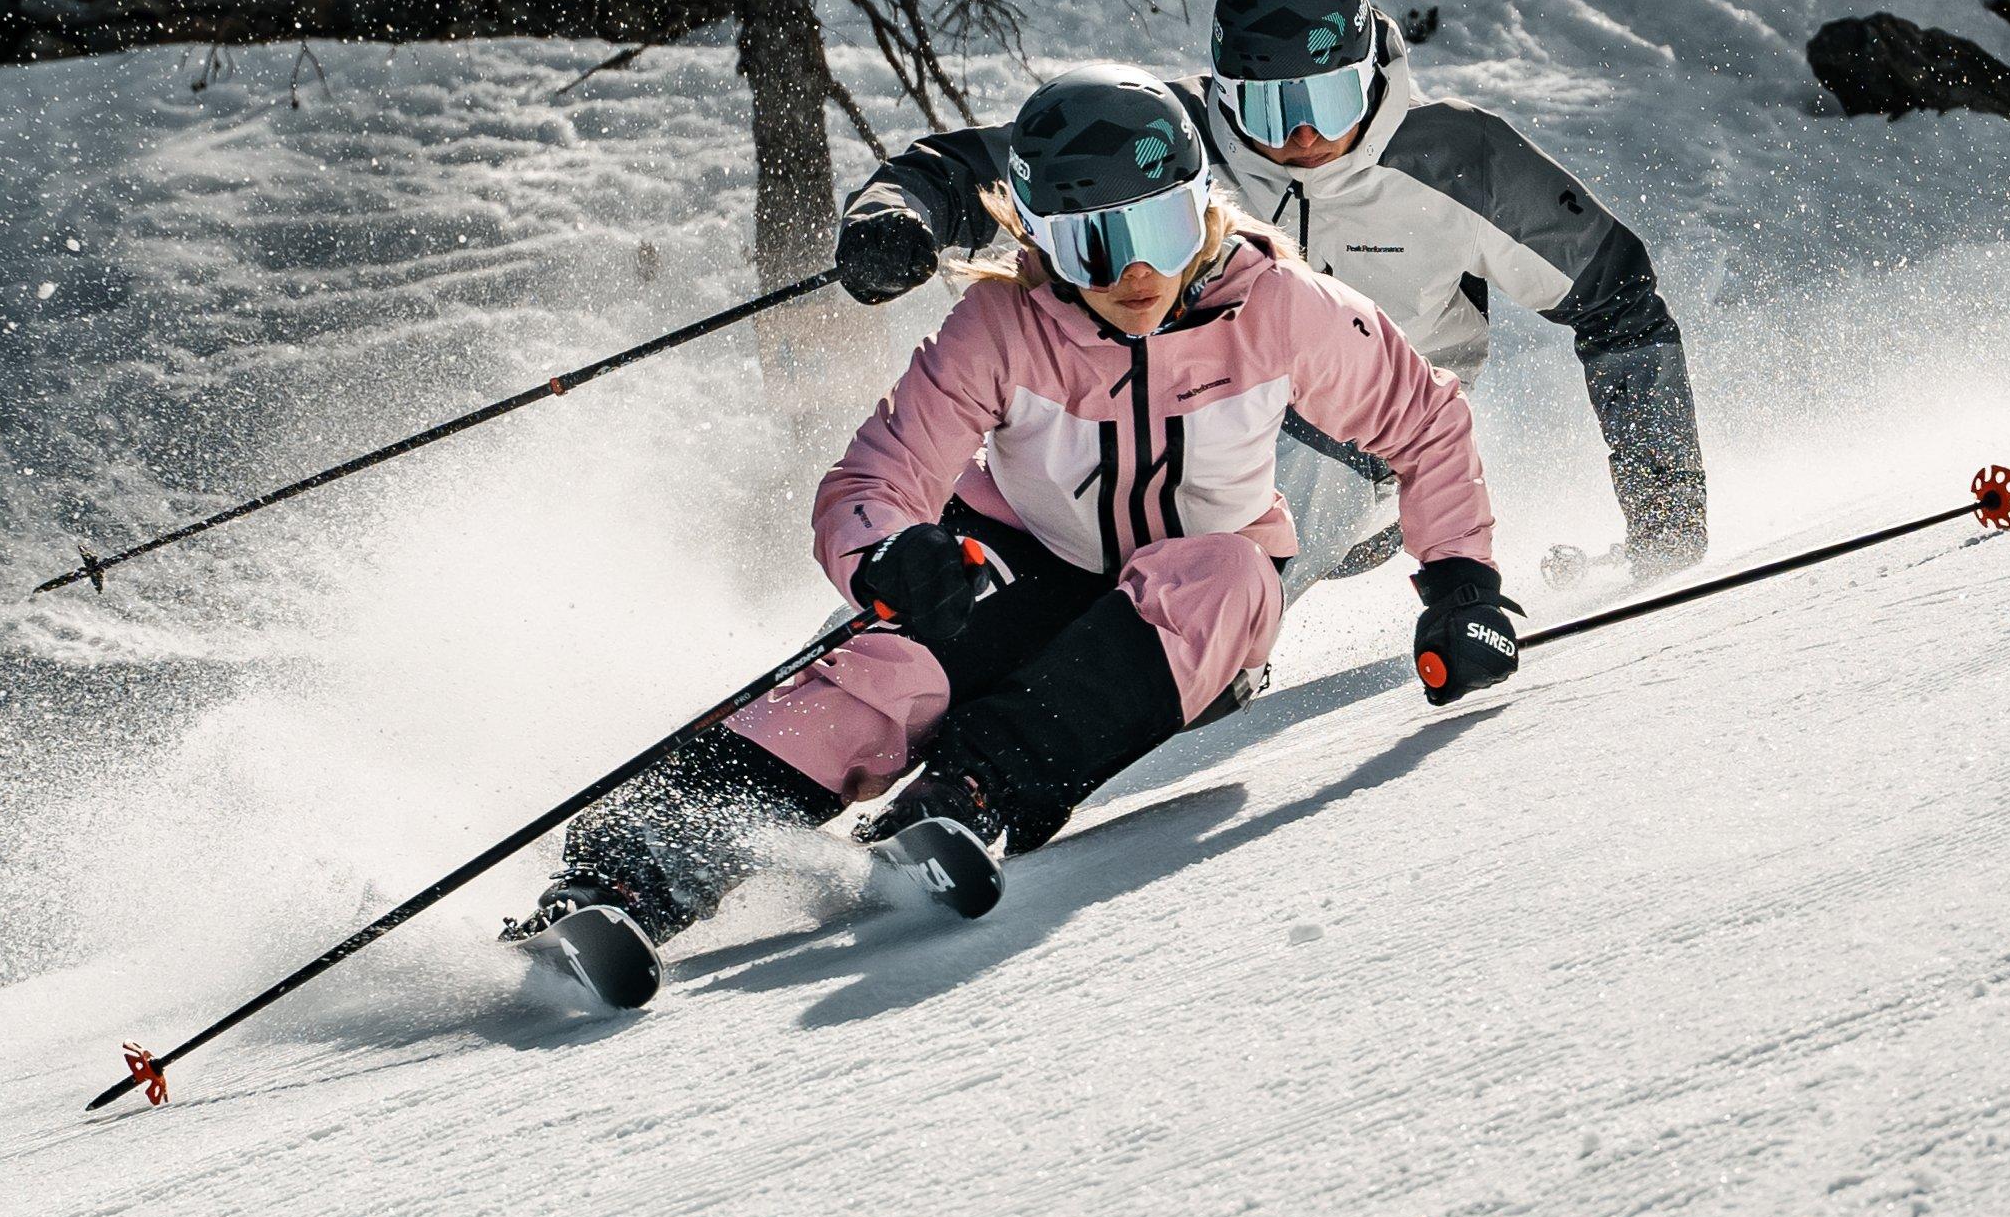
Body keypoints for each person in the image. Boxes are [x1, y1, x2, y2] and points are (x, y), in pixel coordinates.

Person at [505, 68, 1521, 990]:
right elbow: (873, 479)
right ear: (1038, 236)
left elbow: (1424, 421)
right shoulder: (1002, 327)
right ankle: (628, 876)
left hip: (1191, 613)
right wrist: (890, 554)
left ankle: (967, 797)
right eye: (1093, 242)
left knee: (1227, 573)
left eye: (1160, 230)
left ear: (1203, 209)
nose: (1134, 273)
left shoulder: (1282, 309)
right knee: (885, 673)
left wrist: (1463, 589)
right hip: (1019, 569)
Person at [833, 0, 1707, 596]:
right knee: (1026, 464)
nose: (1298, 138)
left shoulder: (1458, 159)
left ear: (1371, 70)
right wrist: (898, 215)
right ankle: (873, 649)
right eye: (1264, 105)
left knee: (1254, 460)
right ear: (1223, 91)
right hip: (1158, 425)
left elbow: (1619, 297)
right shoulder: (1166, 140)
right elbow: (990, 165)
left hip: (1358, 460)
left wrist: (1666, 511)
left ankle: (1114, 668)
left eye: (1324, 99)